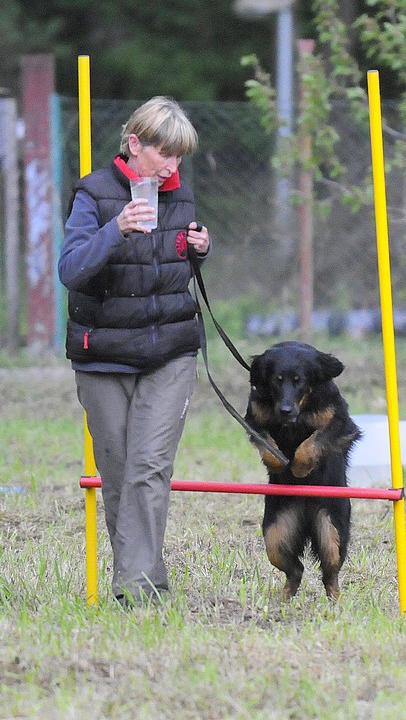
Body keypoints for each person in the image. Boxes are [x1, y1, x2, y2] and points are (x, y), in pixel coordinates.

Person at [58, 96, 210, 606]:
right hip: (102, 356)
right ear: (134, 145)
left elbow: (170, 275)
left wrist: (199, 251)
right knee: (120, 473)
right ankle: (139, 584)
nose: (172, 167)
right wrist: (116, 228)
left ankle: (141, 592)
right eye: (165, 154)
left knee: (149, 468)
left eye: (180, 157)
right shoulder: (94, 195)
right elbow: (72, 269)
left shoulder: (181, 197)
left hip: (170, 353)